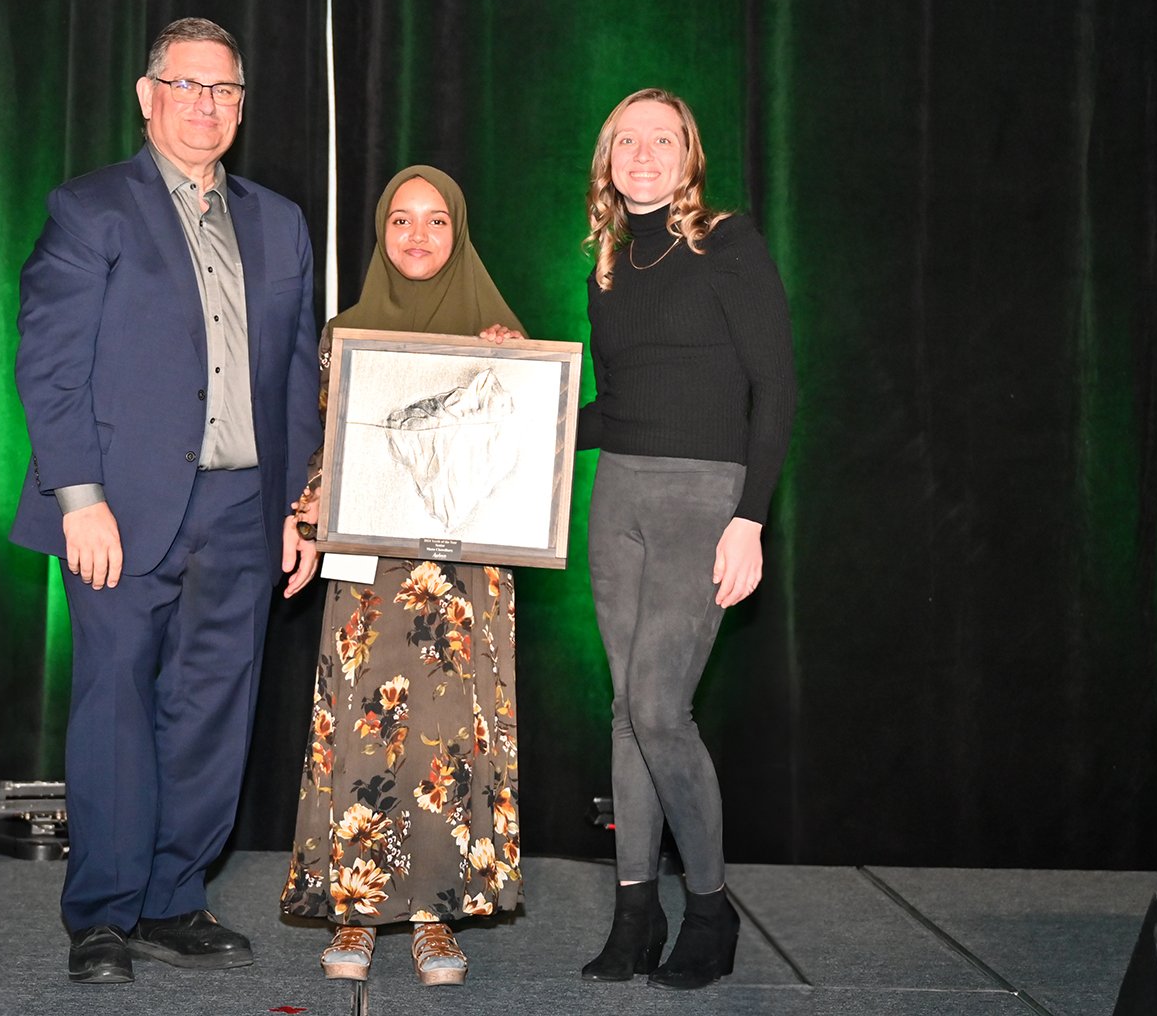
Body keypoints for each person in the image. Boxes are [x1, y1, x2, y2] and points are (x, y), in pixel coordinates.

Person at [10, 17, 322, 986]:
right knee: (114, 707)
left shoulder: (279, 221)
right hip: (119, 510)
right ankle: (102, 912)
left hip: (243, 507)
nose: (207, 106)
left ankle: (173, 897)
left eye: (225, 91)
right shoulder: (89, 209)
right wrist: (78, 496)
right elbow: (49, 368)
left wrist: (297, 507)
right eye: (187, 87)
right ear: (147, 97)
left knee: (212, 711)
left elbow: (296, 371)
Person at [278, 166, 527, 987]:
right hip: (369, 574)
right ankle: (355, 912)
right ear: (381, 235)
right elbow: (329, 451)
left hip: (465, 579)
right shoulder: (344, 333)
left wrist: (513, 377)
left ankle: (433, 918)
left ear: (459, 234)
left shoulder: (500, 332)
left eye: (436, 222)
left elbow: (524, 461)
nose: (418, 237)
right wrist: (305, 514)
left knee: (448, 740)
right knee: (362, 728)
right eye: (400, 222)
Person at [574, 88, 796, 990]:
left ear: (688, 154)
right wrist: (521, 396)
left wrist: (751, 519)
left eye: (661, 138)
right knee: (626, 711)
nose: (644, 152)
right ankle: (636, 913)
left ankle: (710, 909)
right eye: (628, 138)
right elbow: (620, 403)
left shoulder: (728, 242)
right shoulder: (610, 259)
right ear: (608, 157)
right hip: (616, 496)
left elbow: (775, 388)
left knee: (662, 709)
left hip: (705, 500)